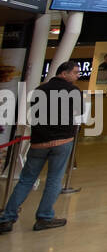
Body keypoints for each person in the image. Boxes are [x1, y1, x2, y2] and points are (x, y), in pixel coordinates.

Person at [0, 61, 83, 233]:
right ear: (64, 73)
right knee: (54, 179)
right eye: (75, 72)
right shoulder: (73, 91)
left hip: (39, 142)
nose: (77, 76)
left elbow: (34, 113)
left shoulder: (40, 90)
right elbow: (79, 111)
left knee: (26, 180)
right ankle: (44, 217)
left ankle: (7, 217)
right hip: (62, 141)